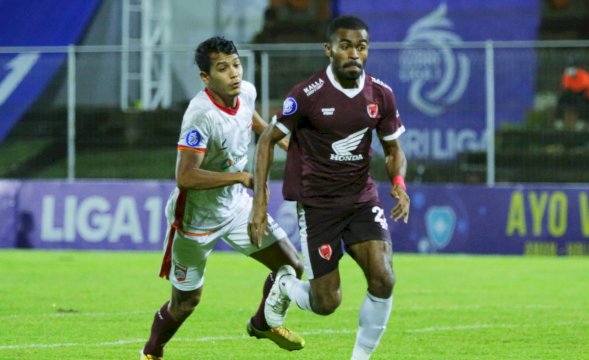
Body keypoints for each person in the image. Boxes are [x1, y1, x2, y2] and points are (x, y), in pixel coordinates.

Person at [249, 15, 411, 360]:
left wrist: (398, 183)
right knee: (326, 303)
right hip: (318, 206)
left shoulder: (381, 95)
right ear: (330, 49)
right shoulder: (307, 94)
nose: (354, 53)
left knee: (384, 278)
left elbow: (394, 150)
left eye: (361, 46)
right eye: (346, 46)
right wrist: (259, 203)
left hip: (361, 200)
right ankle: (286, 285)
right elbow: (266, 141)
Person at [140, 36, 305, 360]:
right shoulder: (200, 116)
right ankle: (152, 351)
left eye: (236, 64)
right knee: (186, 302)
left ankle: (262, 322)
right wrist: (241, 177)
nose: (233, 73)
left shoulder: (246, 91)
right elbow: (186, 176)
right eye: (222, 68)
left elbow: (252, 120)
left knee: (291, 265)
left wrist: (287, 145)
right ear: (205, 77)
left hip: (236, 206)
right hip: (195, 219)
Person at [555, 65, 589, 131]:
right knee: (561, 100)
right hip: (573, 94)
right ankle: (559, 121)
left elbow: (585, 88)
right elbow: (566, 86)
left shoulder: (584, 75)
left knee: (582, 103)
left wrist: (573, 91)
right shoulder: (567, 75)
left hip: (586, 95)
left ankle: (582, 122)